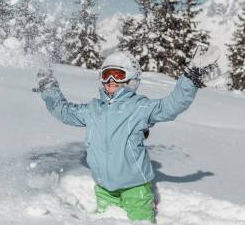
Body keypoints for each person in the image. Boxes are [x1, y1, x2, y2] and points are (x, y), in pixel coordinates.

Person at [36, 47, 220, 223]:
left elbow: (172, 106)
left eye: (117, 74)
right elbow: (64, 111)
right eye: (106, 74)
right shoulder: (93, 110)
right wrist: (47, 85)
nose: (110, 80)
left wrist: (191, 75)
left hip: (136, 190)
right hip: (104, 190)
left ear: (131, 77)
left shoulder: (139, 107)